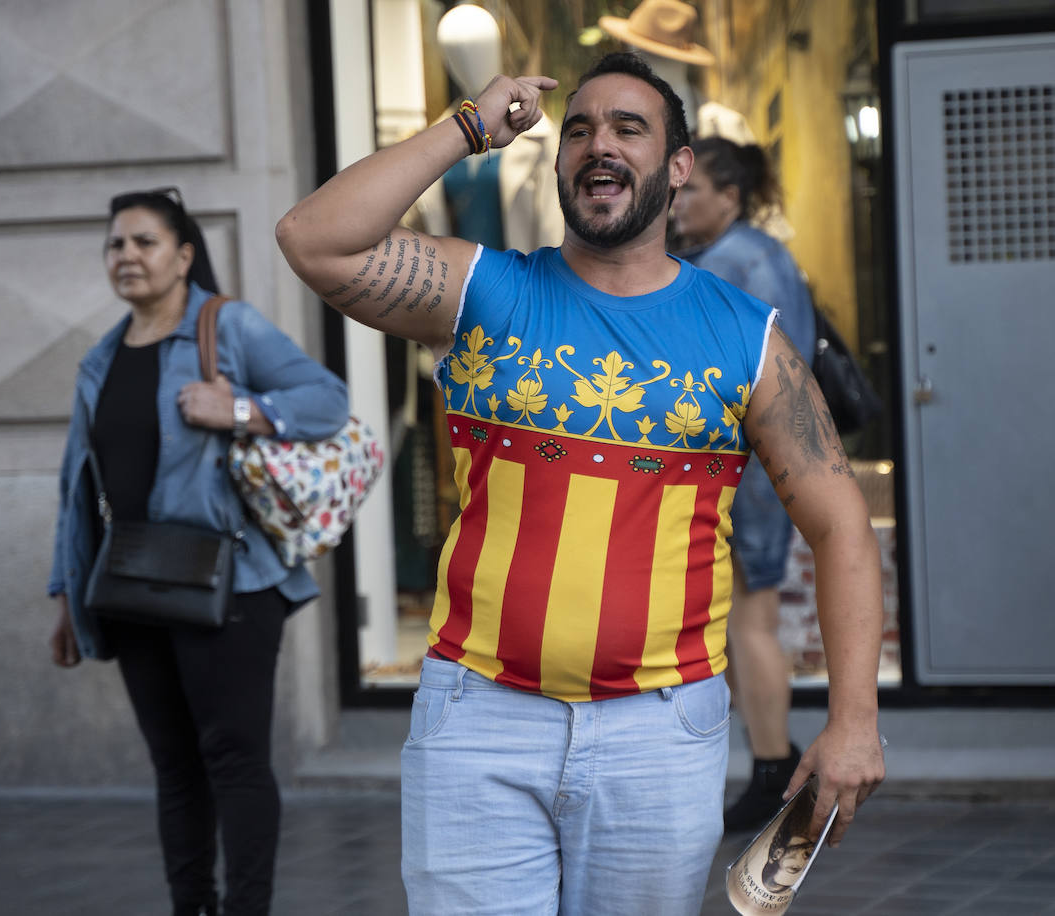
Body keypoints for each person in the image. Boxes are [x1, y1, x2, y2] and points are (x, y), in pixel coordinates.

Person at [277, 51, 885, 915]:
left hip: (661, 733)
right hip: (477, 720)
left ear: (678, 167)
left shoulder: (749, 340)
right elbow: (312, 237)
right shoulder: (482, 291)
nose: (599, 145)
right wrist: (468, 128)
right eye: (580, 130)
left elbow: (841, 528)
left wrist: (855, 719)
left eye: (628, 129)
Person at [47, 188, 349, 916]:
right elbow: (74, 487)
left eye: (144, 242)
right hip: (129, 584)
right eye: (116, 244)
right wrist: (65, 591)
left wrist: (242, 409)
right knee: (174, 768)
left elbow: (327, 399)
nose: (127, 256)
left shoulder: (227, 327)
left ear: (183, 256)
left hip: (231, 582)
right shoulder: (100, 360)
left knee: (234, 760)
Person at [671, 137, 820, 832]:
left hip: (749, 468)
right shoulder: (763, 251)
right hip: (765, 463)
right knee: (745, 618)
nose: (676, 201)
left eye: (690, 189)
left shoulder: (731, 261)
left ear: (729, 196)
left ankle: (770, 771)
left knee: (749, 620)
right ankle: (776, 757)